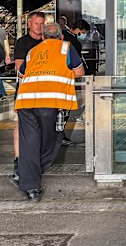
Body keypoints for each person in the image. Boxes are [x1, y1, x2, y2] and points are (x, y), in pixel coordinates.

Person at [15, 23, 84, 201]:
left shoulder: (33, 51)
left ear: (43, 37)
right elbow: (79, 72)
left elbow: (21, 73)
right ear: (61, 37)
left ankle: (30, 186)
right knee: (51, 139)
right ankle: (32, 173)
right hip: (50, 100)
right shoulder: (66, 48)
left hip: (25, 101)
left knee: (29, 143)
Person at [10, 11, 45, 187]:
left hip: (45, 91)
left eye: (42, 23)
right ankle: (18, 160)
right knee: (20, 125)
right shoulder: (22, 42)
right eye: (36, 23)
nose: (40, 27)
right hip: (26, 90)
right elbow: (19, 67)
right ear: (29, 24)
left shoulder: (48, 42)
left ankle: (34, 161)